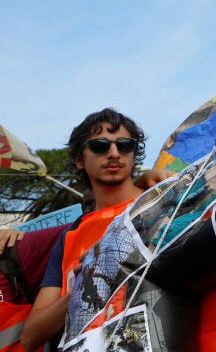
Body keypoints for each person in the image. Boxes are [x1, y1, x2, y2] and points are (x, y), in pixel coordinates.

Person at [21, 108, 149, 351]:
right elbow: (30, 336)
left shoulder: (164, 202)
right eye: (100, 146)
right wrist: (85, 287)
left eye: (124, 145)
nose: (114, 153)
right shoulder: (69, 237)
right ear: (80, 159)